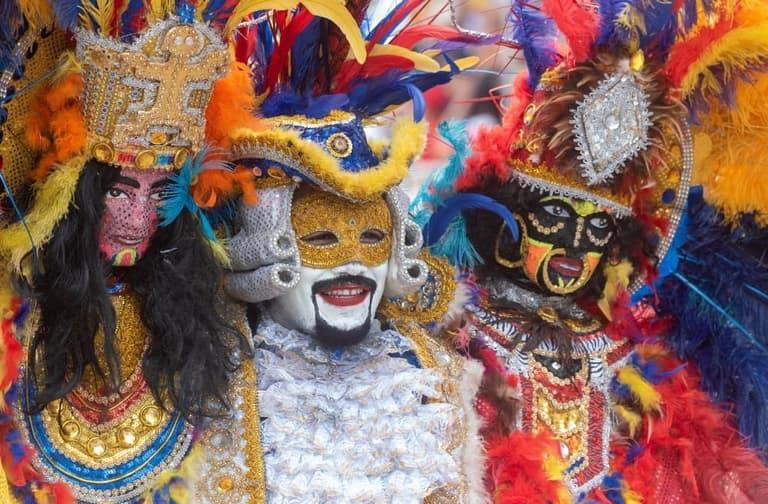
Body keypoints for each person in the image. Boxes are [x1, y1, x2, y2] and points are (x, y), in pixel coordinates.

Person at [415, 0, 768, 501]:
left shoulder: (638, 360)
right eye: (555, 216)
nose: (575, 243)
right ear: (504, 218)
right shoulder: (453, 337)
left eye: (598, 225)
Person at [0, 2, 285, 501]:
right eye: (118, 191)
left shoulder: (215, 319)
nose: (138, 221)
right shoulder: (12, 314)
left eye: (160, 194)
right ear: (75, 194)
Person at [220, 3, 487, 501]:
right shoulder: (214, 376)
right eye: (320, 239)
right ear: (265, 247)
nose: (353, 264)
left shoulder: (430, 372)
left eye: (371, 239)